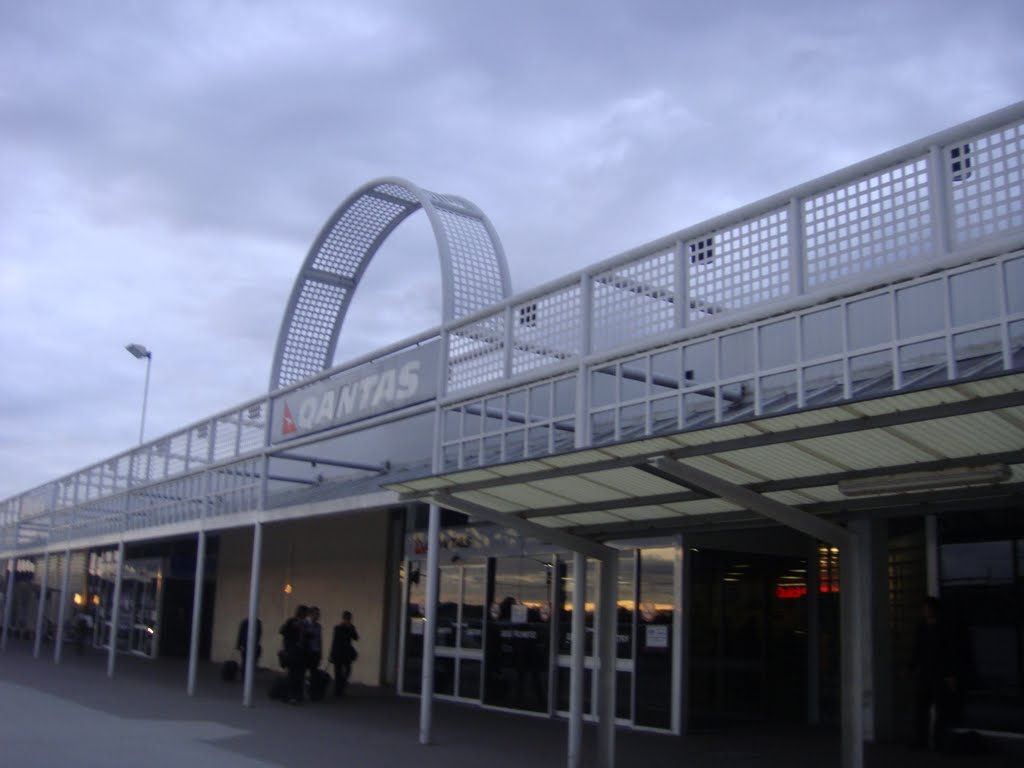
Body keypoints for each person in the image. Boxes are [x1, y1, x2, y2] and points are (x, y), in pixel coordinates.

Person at [910, 596, 968, 751]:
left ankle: (938, 740)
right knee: (921, 707)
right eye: (925, 608)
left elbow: (950, 651)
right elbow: (918, 649)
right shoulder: (922, 627)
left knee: (941, 708)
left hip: (939, 673)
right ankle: (920, 739)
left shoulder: (944, 627)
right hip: (926, 672)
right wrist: (911, 667)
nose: (925, 611)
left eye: (928, 608)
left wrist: (950, 673)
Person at [279, 605, 308, 704]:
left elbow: (307, 637)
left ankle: (298, 696)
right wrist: (293, 626)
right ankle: (290, 696)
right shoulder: (291, 621)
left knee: (299, 675)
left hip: (301, 653)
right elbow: (282, 631)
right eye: (304, 614)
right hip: (292, 652)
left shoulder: (304, 624)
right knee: (292, 675)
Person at [329, 610, 359, 697]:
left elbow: (356, 637)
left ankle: (341, 686)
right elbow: (334, 641)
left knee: (347, 670)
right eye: (347, 618)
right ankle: (338, 691)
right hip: (338, 652)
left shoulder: (351, 627)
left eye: (349, 619)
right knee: (338, 672)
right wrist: (332, 654)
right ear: (344, 618)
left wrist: (351, 628)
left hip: (347, 652)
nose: (348, 620)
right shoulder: (338, 628)